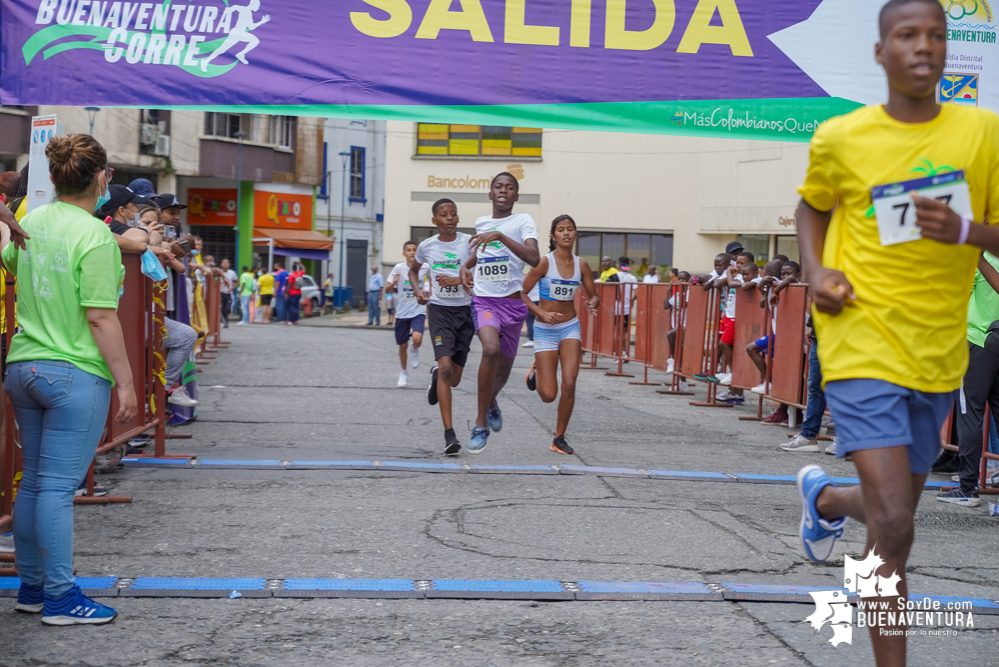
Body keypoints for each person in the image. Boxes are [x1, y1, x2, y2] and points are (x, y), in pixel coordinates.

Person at [794, 2, 999, 663]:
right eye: (907, 35)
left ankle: (822, 497)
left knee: (889, 521)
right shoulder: (841, 138)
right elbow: (810, 206)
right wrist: (816, 271)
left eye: (936, 35)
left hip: (935, 353)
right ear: (879, 52)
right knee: (895, 523)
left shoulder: (982, 134)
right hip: (858, 340)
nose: (924, 46)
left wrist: (965, 230)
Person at [1, 133, 136, 625]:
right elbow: (101, 317)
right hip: (74, 372)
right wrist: (126, 382)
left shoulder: (33, 218)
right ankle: (60, 597)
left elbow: (13, 261)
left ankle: (32, 587)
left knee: (35, 481)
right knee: (58, 488)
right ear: (102, 177)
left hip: (24, 365)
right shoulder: (96, 235)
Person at [460, 173, 541, 453]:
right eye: (498, 187)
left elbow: (534, 258)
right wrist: (464, 267)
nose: (503, 190)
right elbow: (481, 254)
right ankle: (480, 424)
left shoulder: (523, 221)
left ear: (516, 196)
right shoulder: (483, 222)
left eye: (509, 187)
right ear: (490, 194)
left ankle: (491, 401)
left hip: (513, 305)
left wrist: (501, 236)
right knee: (490, 350)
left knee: (503, 373)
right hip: (484, 302)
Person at [523, 215, 598, 455]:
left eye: (570, 229)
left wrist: (593, 302)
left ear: (575, 234)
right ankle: (537, 368)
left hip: (569, 328)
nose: (566, 233)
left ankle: (558, 437)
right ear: (553, 236)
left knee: (569, 383)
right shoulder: (544, 263)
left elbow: (593, 294)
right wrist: (541, 313)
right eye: (561, 230)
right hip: (545, 329)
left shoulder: (582, 265)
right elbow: (522, 294)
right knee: (548, 395)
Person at [411, 199, 474, 454]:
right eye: (443, 214)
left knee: (454, 379)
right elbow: (413, 272)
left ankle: (438, 375)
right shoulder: (426, 247)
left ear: (458, 218)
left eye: (453, 214)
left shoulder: (470, 243)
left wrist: (459, 278)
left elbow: (479, 268)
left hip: (465, 312)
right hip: (439, 311)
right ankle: (450, 435)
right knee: (447, 366)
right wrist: (417, 291)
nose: (449, 218)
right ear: (434, 221)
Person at [939, 252, 999, 507]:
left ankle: (967, 487)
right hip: (996, 338)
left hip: (976, 340)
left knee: (969, 414)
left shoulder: (981, 257)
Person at [387, 242, 429, 387]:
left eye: (414, 250)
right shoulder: (398, 268)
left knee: (417, 339)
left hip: (418, 309)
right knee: (402, 345)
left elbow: (435, 278)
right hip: (402, 312)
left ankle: (415, 348)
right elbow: (386, 290)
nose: (411, 252)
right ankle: (403, 372)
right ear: (404, 253)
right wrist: (393, 282)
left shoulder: (425, 267)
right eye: (408, 250)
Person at [606, 256, 638, 359]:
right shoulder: (632, 277)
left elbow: (607, 290)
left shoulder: (613, 276)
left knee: (616, 330)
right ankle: (626, 353)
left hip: (615, 308)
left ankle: (616, 353)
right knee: (625, 331)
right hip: (627, 308)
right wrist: (632, 300)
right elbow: (636, 294)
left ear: (618, 265)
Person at [219, 259, 236, 328]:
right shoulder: (219, 272)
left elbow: (236, 281)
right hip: (220, 292)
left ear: (229, 265)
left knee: (227, 309)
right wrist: (217, 280)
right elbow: (215, 279)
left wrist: (232, 288)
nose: (225, 264)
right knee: (222, 309)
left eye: (227, 263)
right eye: (223, 262)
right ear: (221, 264)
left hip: (228, 293)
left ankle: (225, 320)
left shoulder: (232, 273)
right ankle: (226, 323)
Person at [522, 281, 540, 348]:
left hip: (531, 299)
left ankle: (532, 339)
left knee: (530, 320)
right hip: (541, 299)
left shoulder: (530, 277)